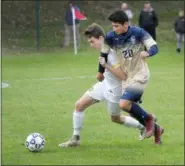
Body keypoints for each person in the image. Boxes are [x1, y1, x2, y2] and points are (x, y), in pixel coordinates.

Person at [58, 23, 146, 148]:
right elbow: (102, 74)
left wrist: (106, 67)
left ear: (101, 38)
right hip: (104, 85)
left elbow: (122, 76)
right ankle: (75, 138)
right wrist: (101, 74)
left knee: (115, 119)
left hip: (115, 91)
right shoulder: (104, 51)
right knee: (79, 105)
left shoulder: (111, 53)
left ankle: (142, 126)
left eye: (92, 41)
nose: (91, 45)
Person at [98, 10, 164, 144]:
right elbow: (103, 54)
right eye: (112, 26)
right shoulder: (110, 37)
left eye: (117, 26)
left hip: (140, 74)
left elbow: (154, 46)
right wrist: (100, 71)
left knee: (123, 104)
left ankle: (150, 119)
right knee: (132, 111)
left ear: (126, 24)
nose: (114, 29)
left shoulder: (138, 33)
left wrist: (148, 53)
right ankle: (157, 129)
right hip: (127, 77)